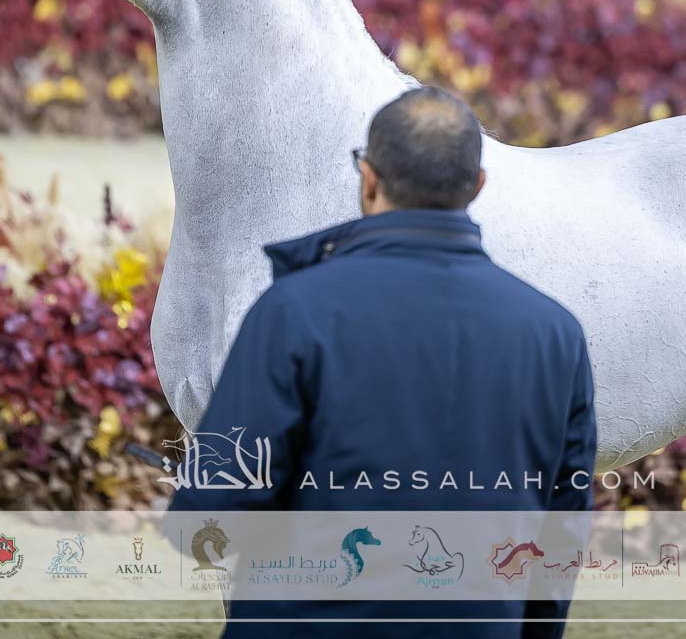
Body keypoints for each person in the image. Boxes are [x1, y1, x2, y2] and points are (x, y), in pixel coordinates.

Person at [164, 85, 597, 638]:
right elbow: (560, 533)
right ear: (478, 186)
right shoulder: (556, 333)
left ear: (368, 179)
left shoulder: (295, 310)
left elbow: (207, 520)